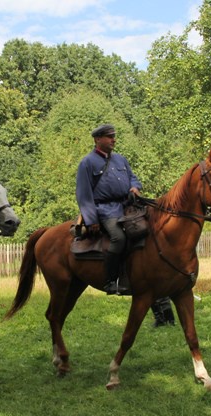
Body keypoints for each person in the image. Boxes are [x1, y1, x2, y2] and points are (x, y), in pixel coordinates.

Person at [76, 123, 142, 295]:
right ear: (98, 139)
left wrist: (135, 188)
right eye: (110, 136)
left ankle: (142, 276)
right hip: (105, 210)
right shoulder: (87, 163)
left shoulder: (120, 159)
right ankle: (110, 280)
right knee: (119, 238)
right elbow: (84, 194)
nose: (114, 139)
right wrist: (91, 220)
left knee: (147, 231)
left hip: (128, 207)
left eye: (114, 136)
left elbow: (133, 178)